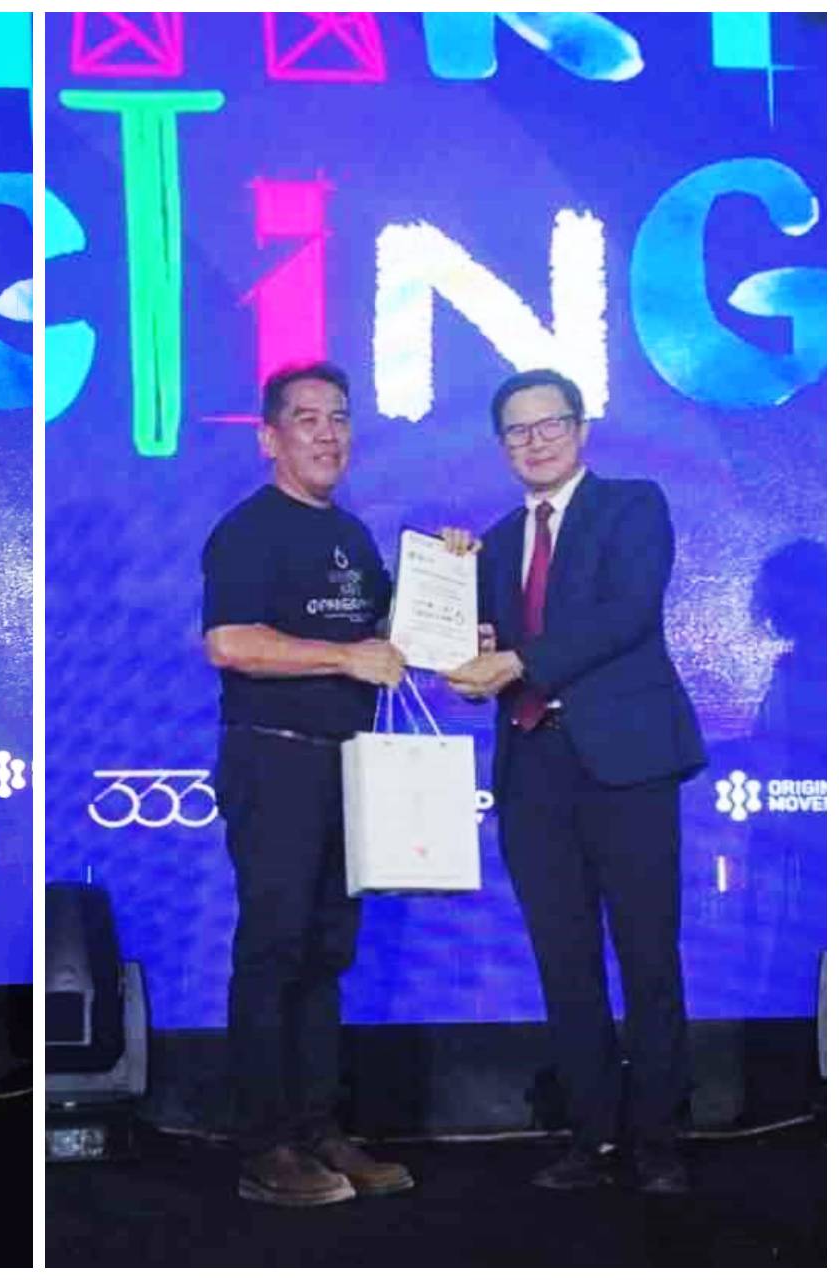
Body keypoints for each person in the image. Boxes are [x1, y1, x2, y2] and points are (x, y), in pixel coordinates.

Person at [443, 368, 705, 1195]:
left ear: (581, 428)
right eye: (517, 431)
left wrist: (518, 661)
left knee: (648, 955)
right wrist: (457, 614)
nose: (536, 441)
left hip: (627, 765)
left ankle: (658, 1141)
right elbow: (473, 644)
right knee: (564, 961)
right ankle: (591, 1139)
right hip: (533, 770)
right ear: (502, 446)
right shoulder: (493, 544)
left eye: (550, 423)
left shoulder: (633, 506)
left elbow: (627, 614)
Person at [201, 361, 414, 1207]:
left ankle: (320, 1127)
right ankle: (265, 1147)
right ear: (269, 438)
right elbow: (229, 643)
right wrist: (344, 657)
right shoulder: (248, 530)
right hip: (277, 760)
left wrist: (450, 585)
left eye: (339, 418)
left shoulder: (353, 536)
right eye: (307, 419)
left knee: (328, 953)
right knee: (275, 949)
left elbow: (392, 634)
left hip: (348, 762)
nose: (328, 433)